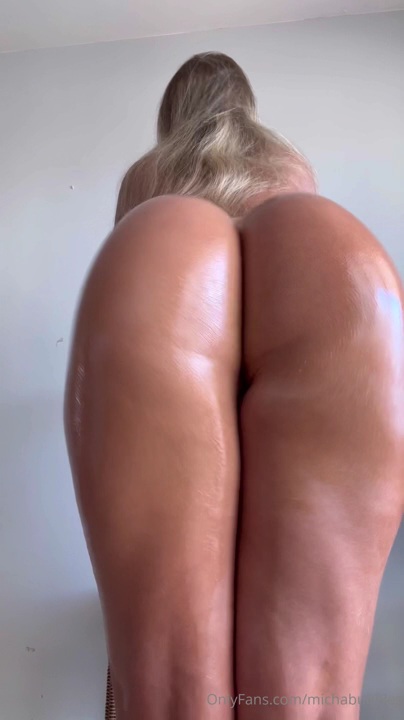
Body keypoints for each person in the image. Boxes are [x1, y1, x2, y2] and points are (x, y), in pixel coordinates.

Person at [64, 53, 404, 719]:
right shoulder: (288, 163)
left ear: (170, 115)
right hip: (328, 274)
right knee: (305, 700)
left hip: (166, 278)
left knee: (170, 699)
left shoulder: (147, 176)